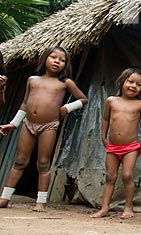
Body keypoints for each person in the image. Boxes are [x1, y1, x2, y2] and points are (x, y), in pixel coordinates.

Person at [0, 46, 88, 212]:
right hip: (28, 124)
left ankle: (41, 201)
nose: (57, 61)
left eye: (62, 60)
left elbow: (83, 99)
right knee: (19, 161)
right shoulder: (32, 80)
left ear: (66, 65)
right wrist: (13, 124)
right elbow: (25, 104)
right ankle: (4, 198)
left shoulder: (65, 83)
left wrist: (65, 109)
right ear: (45, 58)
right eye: (53, 57)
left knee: (43, 163)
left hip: (49, 125)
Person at [90, 67, 141, 219]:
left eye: (138, 84)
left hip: (131, 146)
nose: (133, 86)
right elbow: (105, 119)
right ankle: (104, 208)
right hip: (112, 146)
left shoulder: (140, 104)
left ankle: (128, 207)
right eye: (130, 82)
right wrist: (103, 136)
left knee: (127, 175)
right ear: (122, 82)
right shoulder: (111, 101)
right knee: (110, 176)